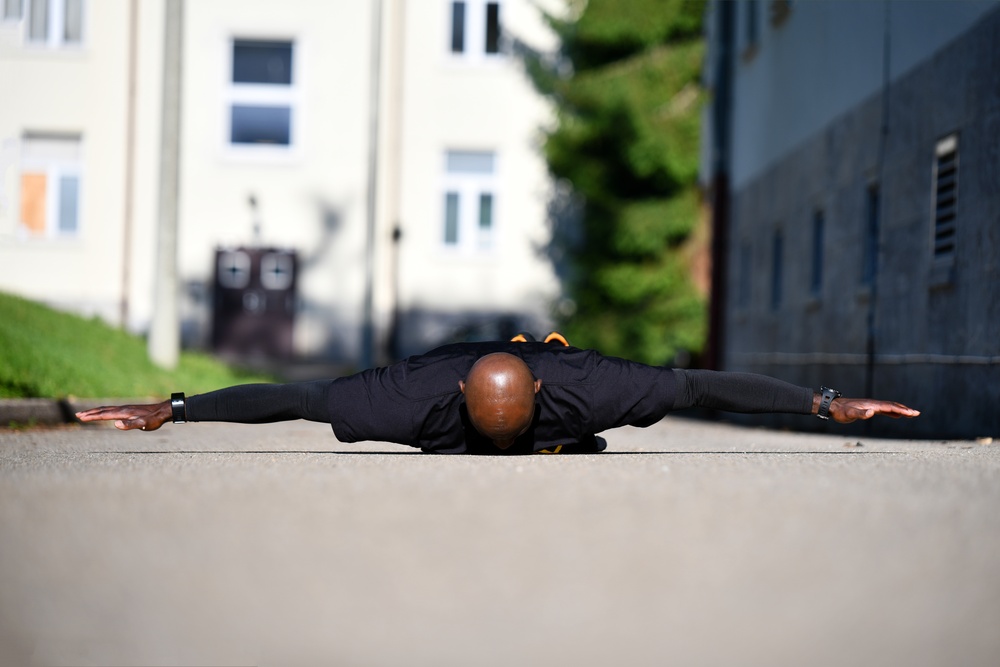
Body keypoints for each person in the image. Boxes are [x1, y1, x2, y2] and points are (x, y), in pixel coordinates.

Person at [76, 334, 920, 455]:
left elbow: (705, 384)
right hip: (444, 386)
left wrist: (822, 402)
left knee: (581, 441)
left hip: (552, 380)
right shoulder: (405, 398)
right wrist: (179, 405)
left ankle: (562, 444)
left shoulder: (594, 388)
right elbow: (294, 394)